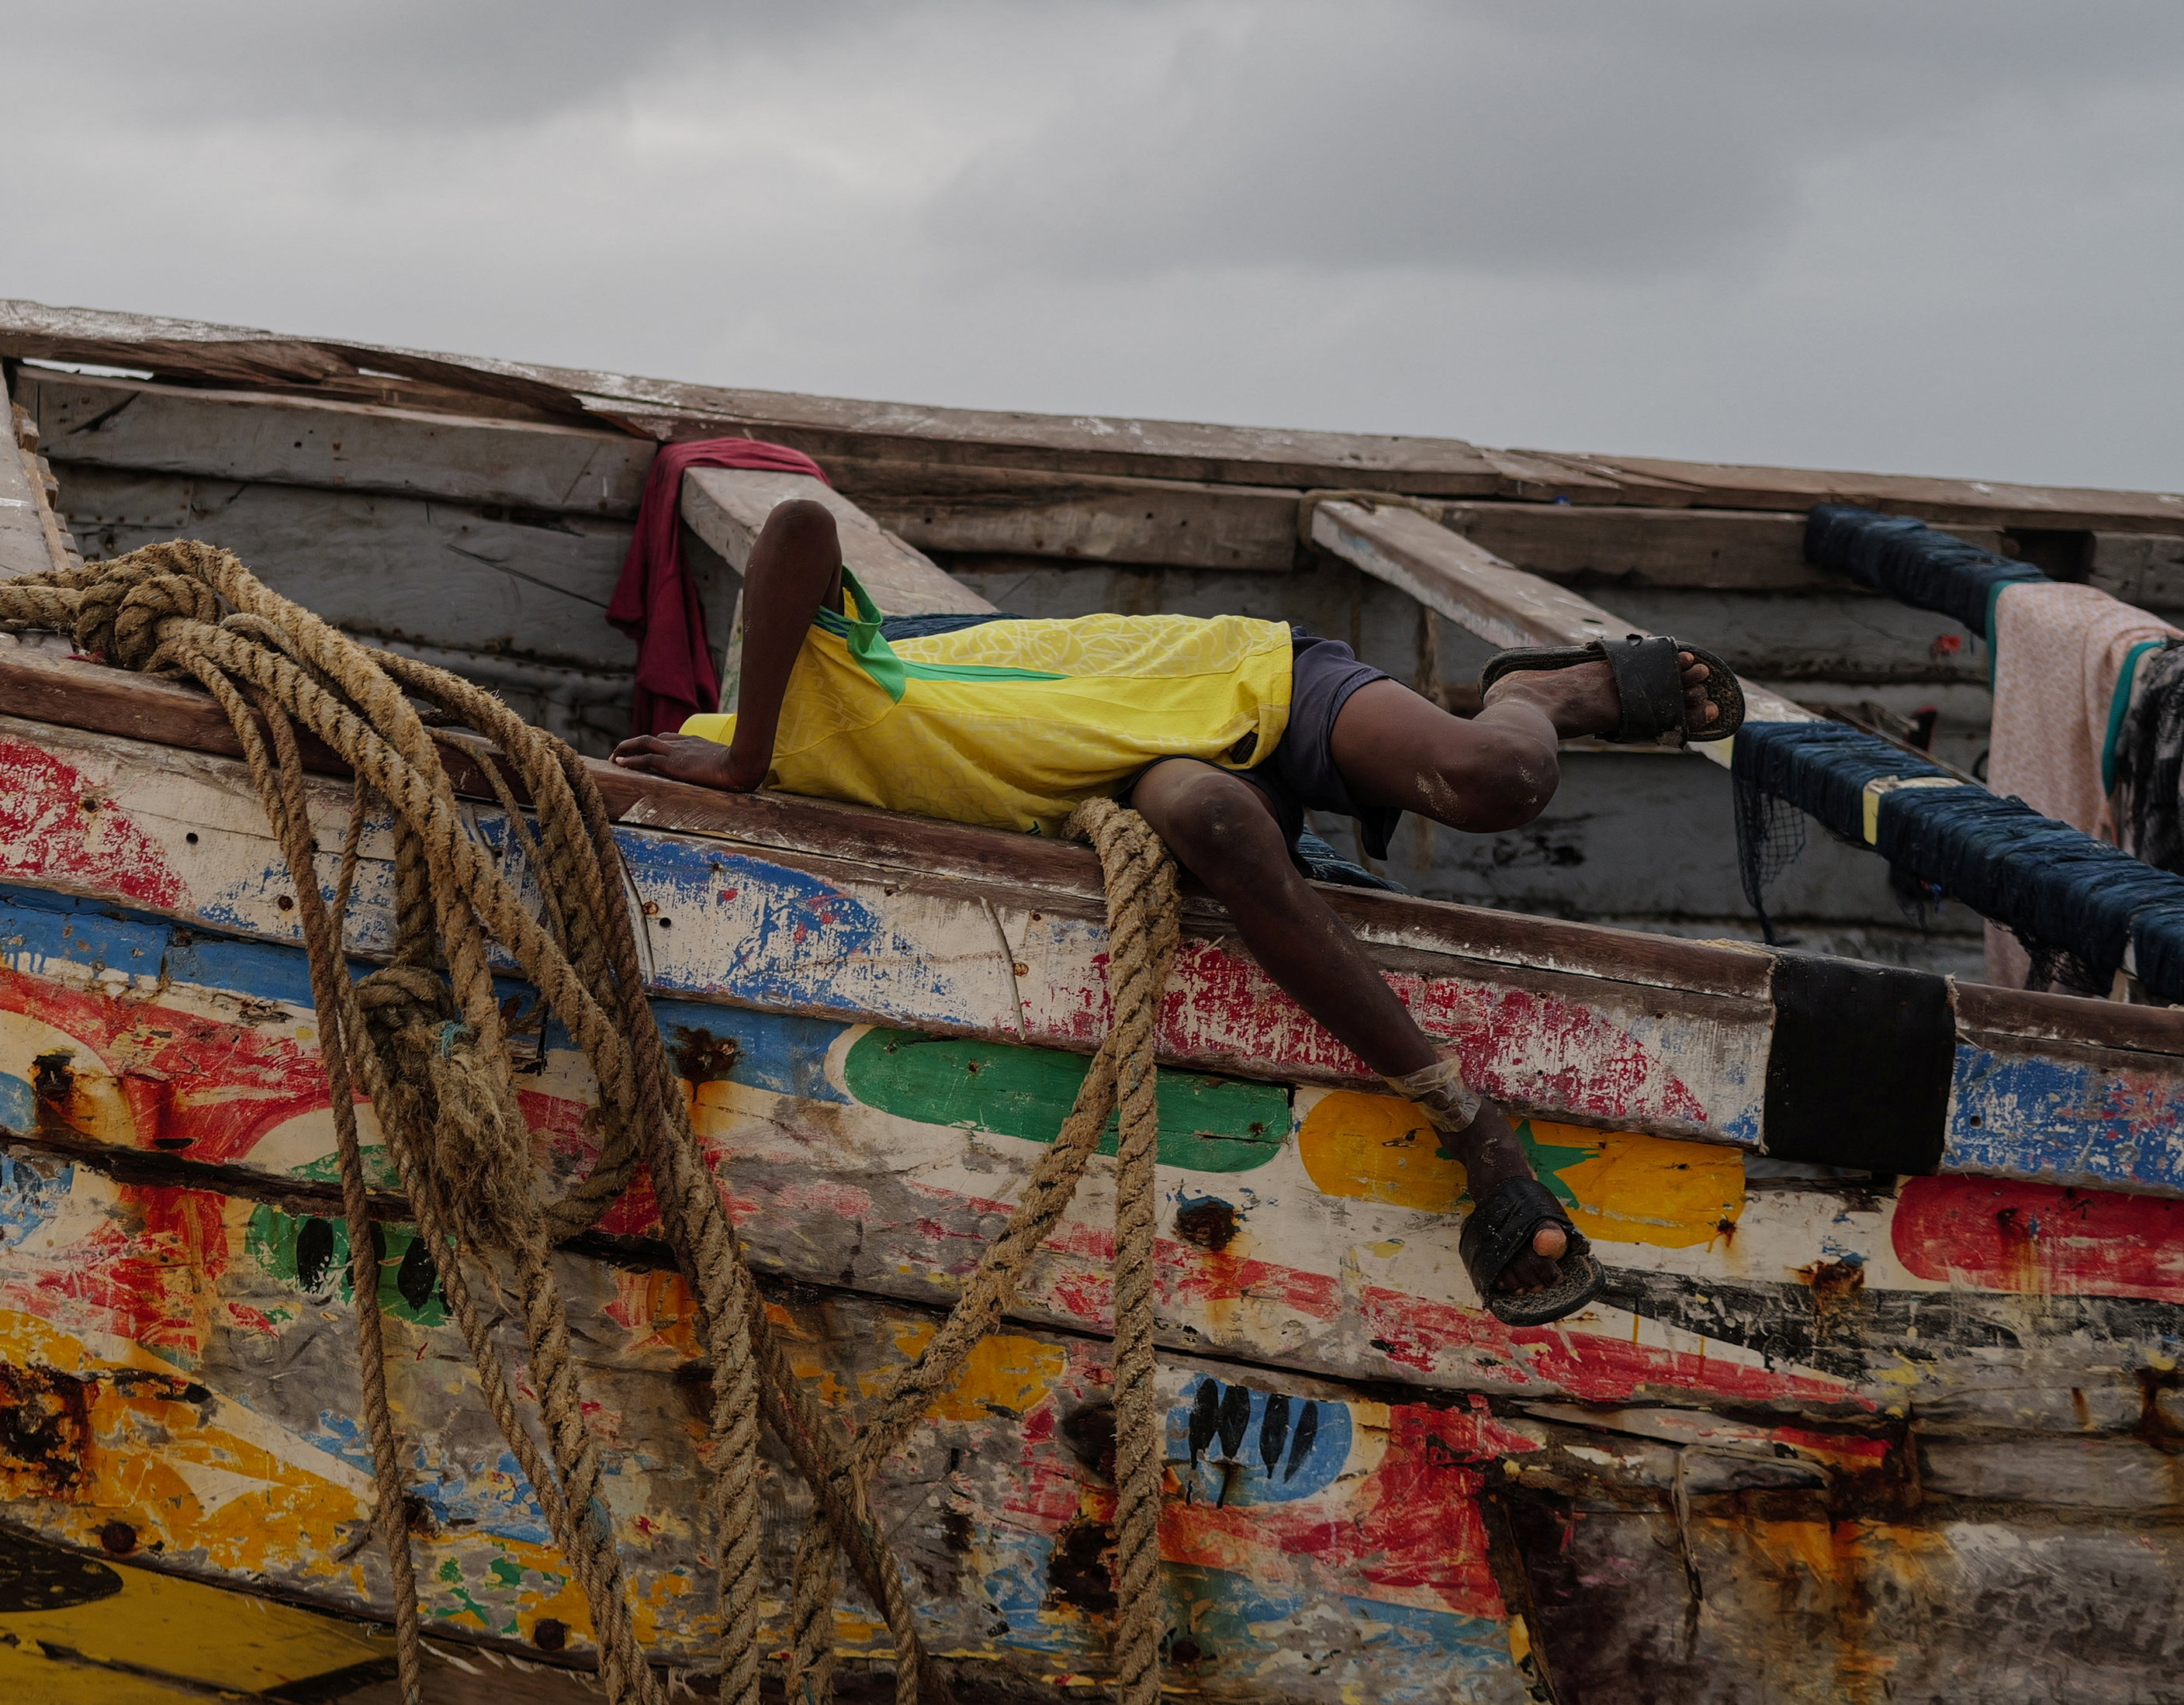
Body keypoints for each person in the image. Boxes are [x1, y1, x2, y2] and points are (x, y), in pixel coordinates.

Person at [609, 498, 1739, 1326]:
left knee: (1495, 782)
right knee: (1218, 830)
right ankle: (1470, 1125)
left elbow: (798, 524)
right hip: (1136, 781)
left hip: (1229, 674)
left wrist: (747, 750)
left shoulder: (779, 700)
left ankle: (1537, 691)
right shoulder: (728, 772)